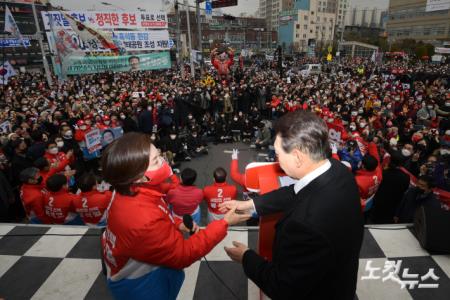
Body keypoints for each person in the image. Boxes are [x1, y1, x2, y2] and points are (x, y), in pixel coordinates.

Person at [220, 110, 363, 299]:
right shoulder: (338, 171)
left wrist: (246, 257)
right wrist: (251, 205)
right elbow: (297, 191)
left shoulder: (305, 227)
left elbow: (283, 286)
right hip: (340, 278)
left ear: (297, 156)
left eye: (279, 154)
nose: (277, 160)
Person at [101, 132, 249, 300]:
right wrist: (224, 223)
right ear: (138, 176)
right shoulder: (143, 219)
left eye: (159, 155)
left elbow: (159, 213)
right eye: (156, 160)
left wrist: (177, 223)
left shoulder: (126, 189)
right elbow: (183, 255)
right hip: (142, 285)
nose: (164, 161)